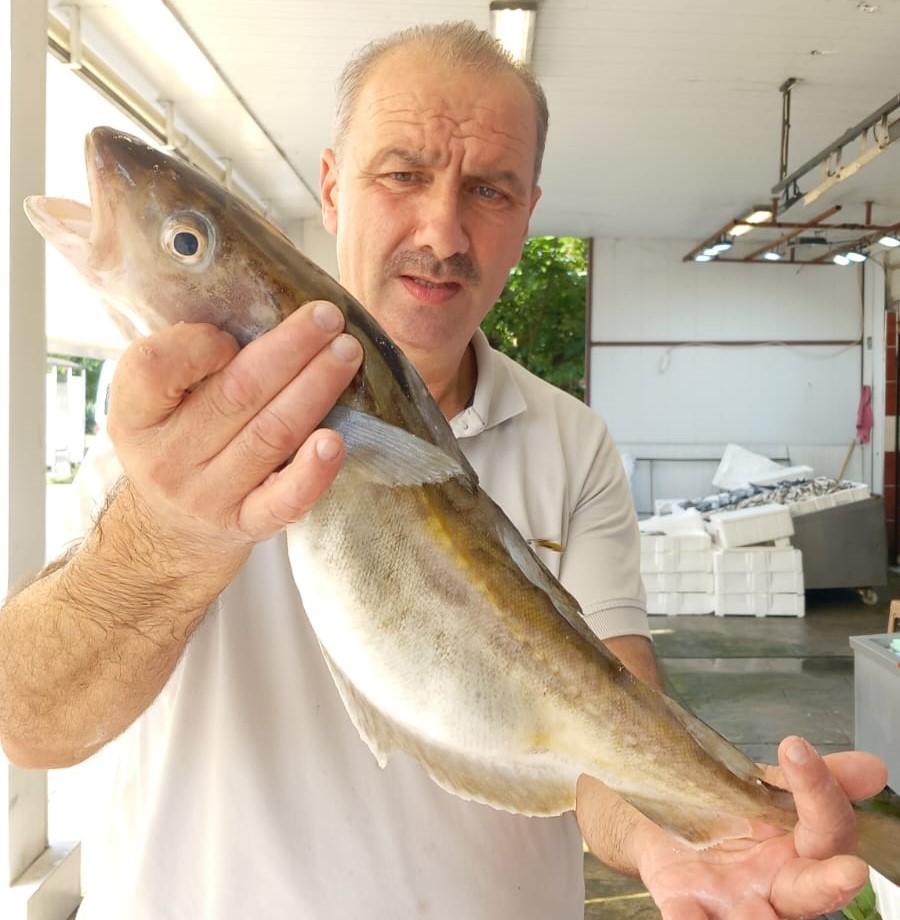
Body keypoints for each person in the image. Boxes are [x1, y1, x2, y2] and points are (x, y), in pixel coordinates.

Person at [0, 20, 886, 920]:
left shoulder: (572, 441)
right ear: (332, 186)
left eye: (490, 190)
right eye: (402, 174)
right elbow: (29, 723)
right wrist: (169, 530)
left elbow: (604, 731)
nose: (443, 229)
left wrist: (694, 832)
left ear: (529, 212)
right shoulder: (149, 427)